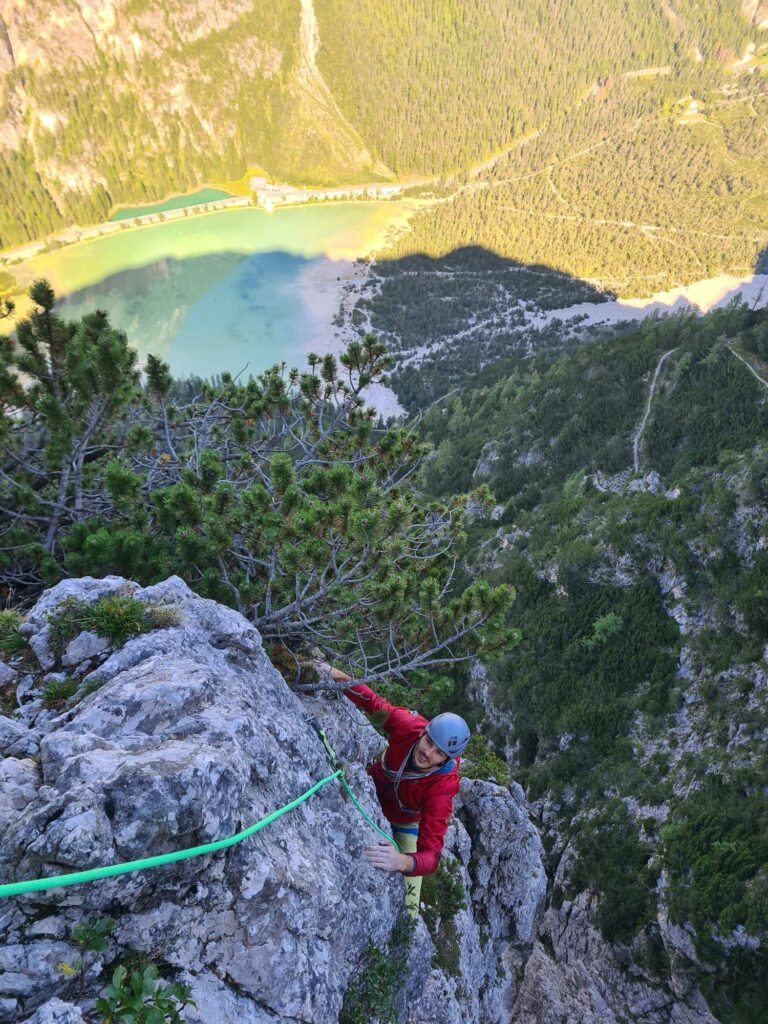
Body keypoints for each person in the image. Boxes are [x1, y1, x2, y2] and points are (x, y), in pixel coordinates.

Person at [315, 662, 470, 918]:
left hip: (404, 823)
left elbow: (431, 855)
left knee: (409, 911)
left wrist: (403, 862)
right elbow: (373, 702)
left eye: (438, 753)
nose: (427, 753)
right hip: (369, 788)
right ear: (424, 733)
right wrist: (332, 673)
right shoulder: (408, 726)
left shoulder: (441, 789)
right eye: (429, 742)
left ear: (446, 760)